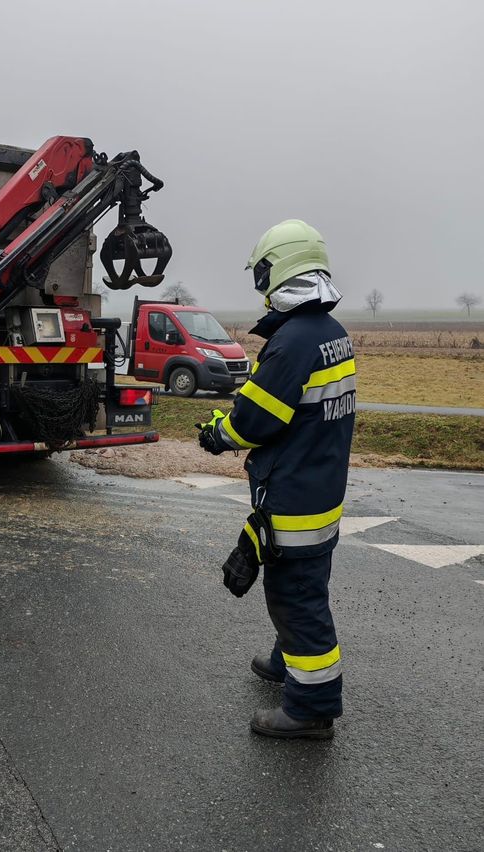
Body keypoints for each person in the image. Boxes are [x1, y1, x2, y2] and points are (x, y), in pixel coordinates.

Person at [198, 219, 355, 740]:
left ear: (278, 269)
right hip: (320, 488)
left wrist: (217, 433)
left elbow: (254, 422)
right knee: (304, 585)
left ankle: (312, 707)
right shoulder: (332, 335)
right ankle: (287, 659)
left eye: (262, 272)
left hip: (294, 495)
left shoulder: (292, 344)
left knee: (295, 597)